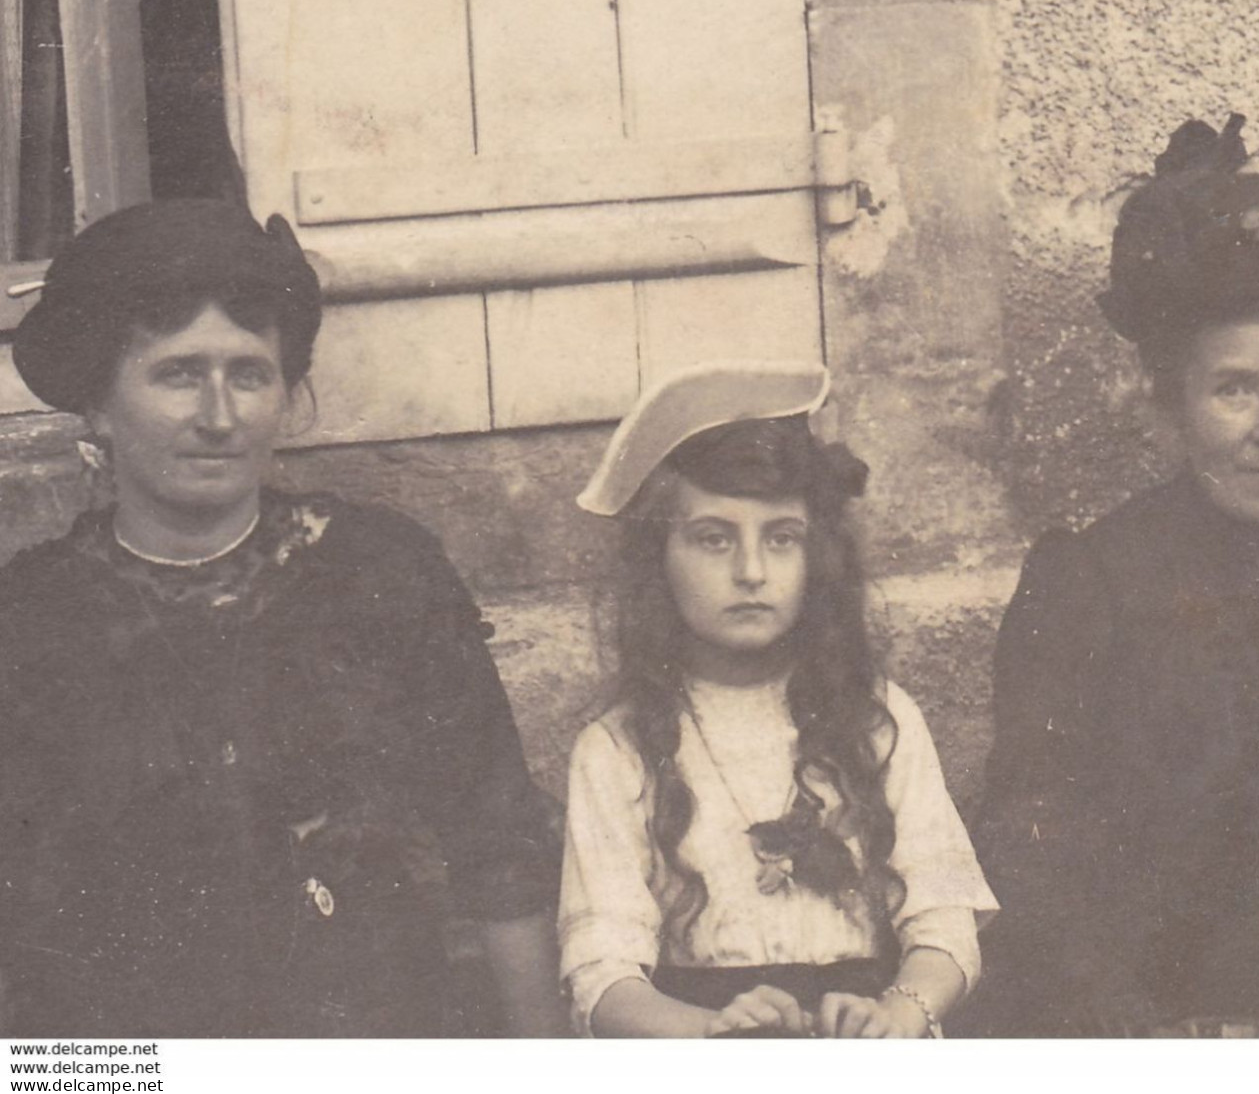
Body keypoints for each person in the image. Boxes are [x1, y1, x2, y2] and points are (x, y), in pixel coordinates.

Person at [0, 200, 566, 1037]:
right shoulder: (31, 619)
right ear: (99, 405)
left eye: (249, 373)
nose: (220, 416)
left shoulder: (379, 572)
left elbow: (499, 848)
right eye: (179, 373)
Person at [968, 115, 1259, 1037]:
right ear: (1170, 404)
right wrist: (1144, 1034)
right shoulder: (1089, 582)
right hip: (1175, 1026)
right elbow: (1031, 852)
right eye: (1233, 390)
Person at [558, 361, 998, 1037]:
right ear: (657, 559)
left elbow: (943, 918)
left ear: (817, 558)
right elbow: (601, 967)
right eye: (713, 538)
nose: (751, 571)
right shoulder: (618, 747)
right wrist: (709, 1033)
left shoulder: (878, 720)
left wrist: (897, 1012)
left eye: (781, 538)